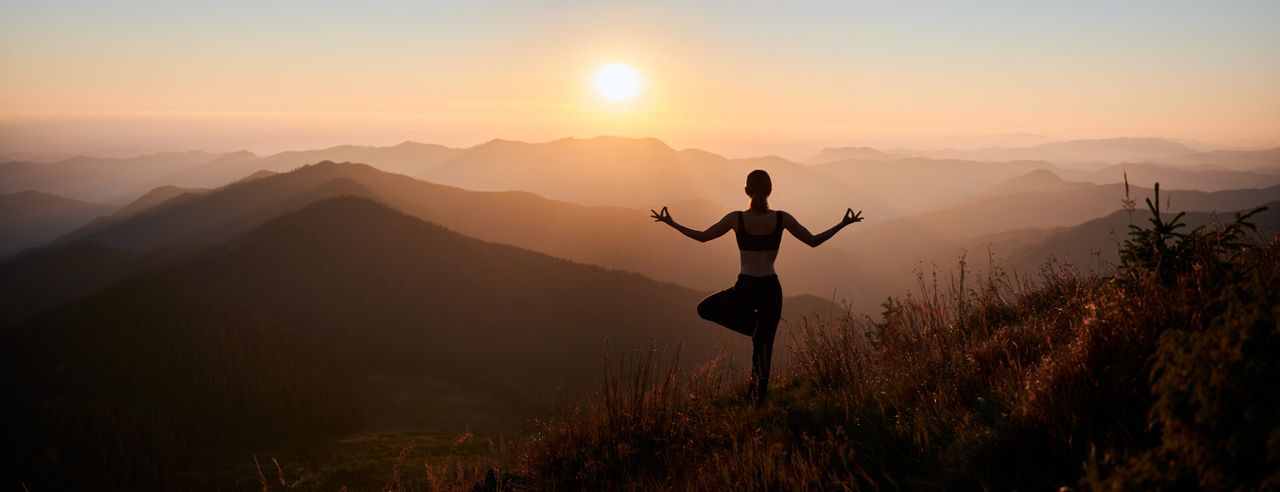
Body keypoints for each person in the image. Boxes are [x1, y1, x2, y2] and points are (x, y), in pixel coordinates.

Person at [650, 169, 863, 404]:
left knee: (706, 309)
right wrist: (842, 224)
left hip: (745, 289)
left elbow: (702, 236)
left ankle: (754, 351)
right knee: (765, 348)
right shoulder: (782, 218)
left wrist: (672, 224)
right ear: (770, 191)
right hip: (771, 289)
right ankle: (758, 397)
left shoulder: (736, 218)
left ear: (745, 191)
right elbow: (813, 241)